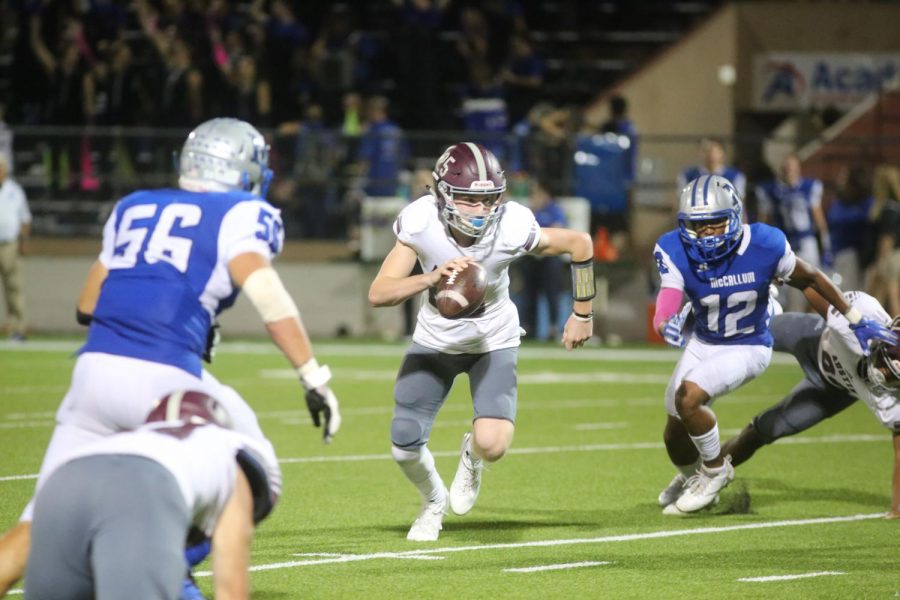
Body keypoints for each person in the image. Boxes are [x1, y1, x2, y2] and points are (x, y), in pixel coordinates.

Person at [0, 117, 341, 596]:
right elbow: (265, 290)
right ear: (242, 170)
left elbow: (88, 305)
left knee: (41, 519)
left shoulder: (135, 206)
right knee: (259, 465)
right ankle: (164, 565)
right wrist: (312, 375)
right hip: (162, 374)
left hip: (92, 374)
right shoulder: (241, 212)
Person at [368, 142, 594, 541]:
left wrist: (582, 312)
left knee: (493, 445)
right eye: (470, 199)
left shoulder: (511, 225)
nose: (481, 210)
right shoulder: (421, 222)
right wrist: (430, 278)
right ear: (443, 193)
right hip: (436, 340)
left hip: (493, 338)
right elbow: (380, 292)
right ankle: (433, 502)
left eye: (488, 200)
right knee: (403, 443)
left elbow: (581, 244)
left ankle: (471, 453)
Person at [651, 174, 895, 514]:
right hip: (705, 341)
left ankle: (715, 471)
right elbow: (669, 295)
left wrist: (854, 319)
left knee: (689, 397)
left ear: (735, 217)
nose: (706, 234)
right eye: (698, 226)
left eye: (716, 224)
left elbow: (809, 277)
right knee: (673, 431)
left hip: (748, 344)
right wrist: (663, 320)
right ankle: (695, 479)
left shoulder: (765, 243)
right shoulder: (673, 247)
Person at [25, 390, 282, 599]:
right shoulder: (230, 458)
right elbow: (230, 591)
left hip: (65, 475)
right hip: (148, 485)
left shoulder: (130, 437)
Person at [721, 288, 899, 516]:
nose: (884, 376)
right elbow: (811, 283)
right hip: (813, 339)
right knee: (745, 329)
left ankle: (707, 473)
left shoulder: (894, 400)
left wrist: (896, 509)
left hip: (832, 390)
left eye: (894, 377)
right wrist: (781, 268)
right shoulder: (864, 314)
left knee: (764, 430)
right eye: (886, 366)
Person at [756, 154, 831, 311]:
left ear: (799, 169)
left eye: (792, 167)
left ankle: (813, 323)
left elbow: (818, 218)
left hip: (806, 242)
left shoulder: (809, 187)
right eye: (786, 168)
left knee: (813, 284)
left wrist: (825, 244)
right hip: (783, 242)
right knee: (783, 290)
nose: (789, 171)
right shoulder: (770, 190)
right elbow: (764, 220)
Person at [517, 178, 568, 340]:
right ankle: (528, 327)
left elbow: (558, 230)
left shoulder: (554, 209)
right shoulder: (531, 212)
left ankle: (554, 328)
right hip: (532, 258)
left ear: (545, 193)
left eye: (537, 192)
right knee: (529, 294)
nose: (534, 196)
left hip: (549, 258)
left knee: (552, 294)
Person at [0, 155, 30, 341]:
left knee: (14, 286)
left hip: (9, 243)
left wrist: (24, 242)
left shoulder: (15, 191)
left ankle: (17, 328)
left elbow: (24, 218)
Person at [676, 137, 746, 201]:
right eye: (706, 151)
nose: (710, 154)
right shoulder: (688, 175)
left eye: (714, 151)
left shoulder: (735, 176)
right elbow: (681, 201)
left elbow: (739, 202)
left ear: (722, 153)